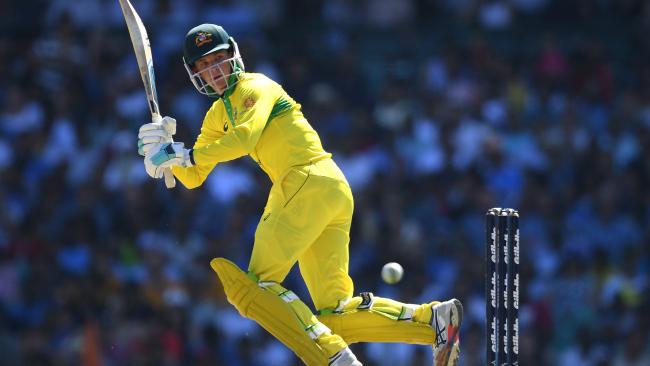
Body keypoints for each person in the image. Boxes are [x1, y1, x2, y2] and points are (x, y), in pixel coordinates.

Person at [137, 23, 463, 366]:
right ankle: (434, 322)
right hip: (326, 189)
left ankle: (332, 359)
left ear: (233, 55)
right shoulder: (217, 115)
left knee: (254, 289)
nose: (213, 71)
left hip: (305, 181)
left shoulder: (256, 86)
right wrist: (164, 157)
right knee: (333, 314)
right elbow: (194, 177)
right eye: (204, 66)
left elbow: (246, 137)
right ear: (195, 74)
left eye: (217, 59)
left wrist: (185, 155)